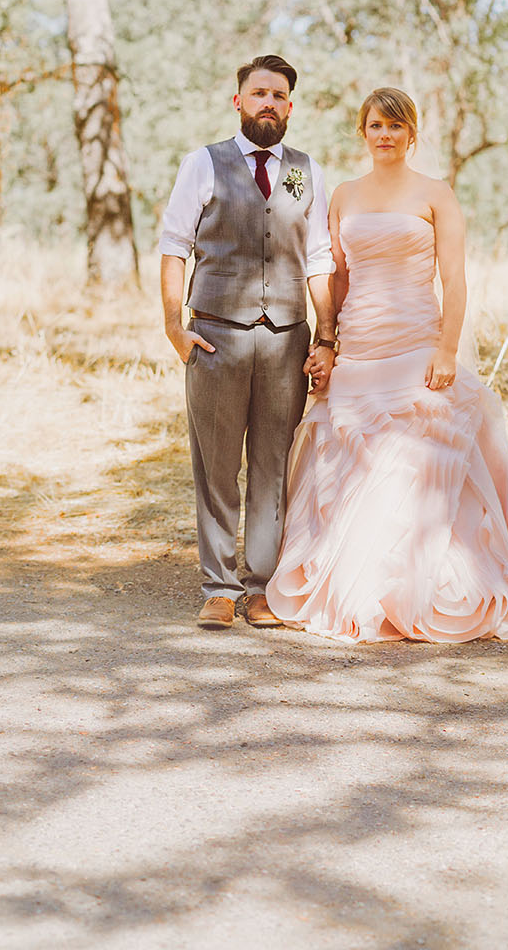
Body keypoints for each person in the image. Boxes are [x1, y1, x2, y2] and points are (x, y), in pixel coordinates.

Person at [266, 87, 508, 642]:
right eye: (375, 126)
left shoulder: (435, 194)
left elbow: (455, 279)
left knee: (412, 463)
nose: (385, 135)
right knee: (354, 465)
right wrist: (328, 341)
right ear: (363, 131)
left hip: (418, 344)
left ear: (411, 133)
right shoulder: (344, 196)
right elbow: (339, 276)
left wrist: (447, 349)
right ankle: (359, 581)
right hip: (360, 347)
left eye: (395, 127)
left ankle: (416, 580)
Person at [159, 55, 336, 629]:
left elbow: (317, 258)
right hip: (214, 338)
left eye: (278, 95)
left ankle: (262, 588)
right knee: (215, 467)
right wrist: (172, 325)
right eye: (259, 92)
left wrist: (326, 334)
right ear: (238, 101)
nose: (268, 102)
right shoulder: (203, 163)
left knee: (273, 466)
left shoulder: (307, 171)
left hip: (286, 339)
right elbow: (173, 244)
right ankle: (218, 586)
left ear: (290, 106)